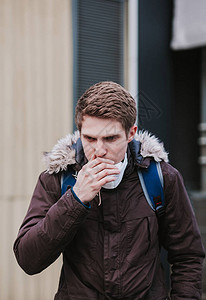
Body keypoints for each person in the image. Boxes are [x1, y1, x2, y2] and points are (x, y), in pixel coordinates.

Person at [14, 81, 205, 299]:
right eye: (90, 138)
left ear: (131, 133)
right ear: (79, 133)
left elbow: (188, 257)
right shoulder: (57, 179)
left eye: (110, 138)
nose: (99, 151)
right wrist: (75, 200)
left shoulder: (162, 178)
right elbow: (28, 260)